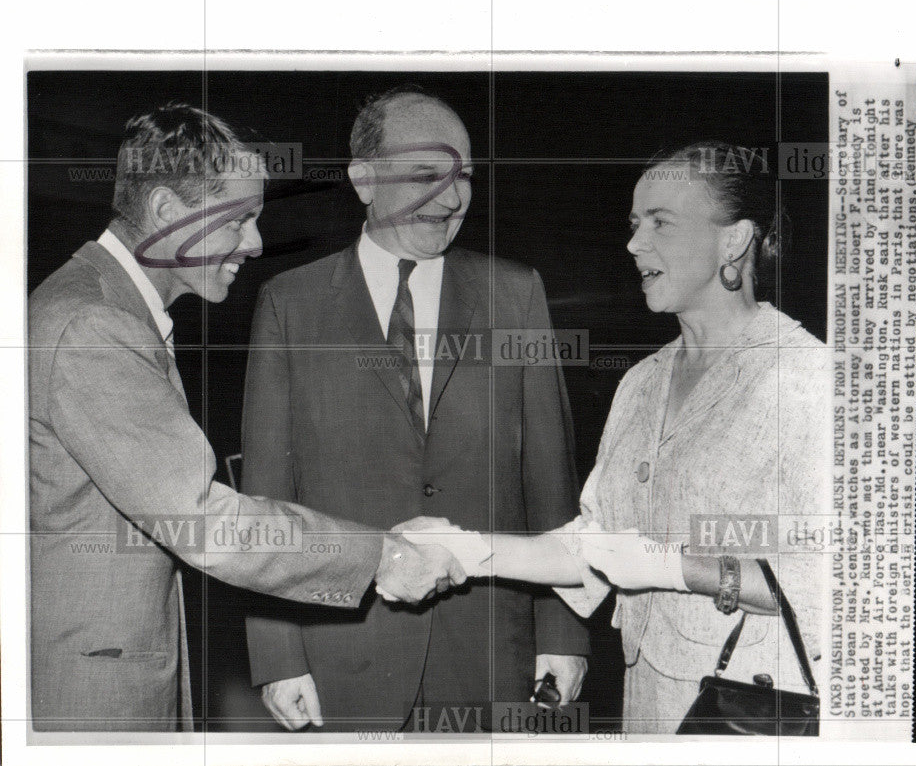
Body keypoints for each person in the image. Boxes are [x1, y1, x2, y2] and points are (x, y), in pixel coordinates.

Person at [28, 103, 464, 733]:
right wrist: (382, 556)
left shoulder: (96, 304)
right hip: (90, 697)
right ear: (166, 215)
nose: (255, 243)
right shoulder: (94, 325)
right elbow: (203, 520)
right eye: (239, 219)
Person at [402, 141, 829, 733]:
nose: (634, 244)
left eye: (661, 223)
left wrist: (670, 566)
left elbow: (833, 576)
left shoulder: (807, 377)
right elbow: (595, 547)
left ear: (734, 241)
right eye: (634, 224)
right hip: (650, 709)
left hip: (757, 716)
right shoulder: (640, 383)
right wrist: (467, 549)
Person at [241, 87, 589, 732]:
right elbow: (266, 495)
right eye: (427, 174)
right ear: (364, 179)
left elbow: (551, 480)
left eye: (464, 177)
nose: (452, 197)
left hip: (491, 652)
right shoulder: (291, 302)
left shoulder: (513, 294)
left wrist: (562, 636)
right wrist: (277, 654)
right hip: (341, 651)